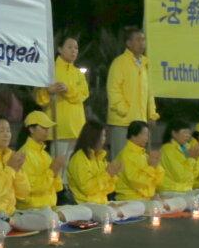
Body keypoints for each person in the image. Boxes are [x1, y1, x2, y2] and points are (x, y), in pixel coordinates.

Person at [0, 116, 58, 233]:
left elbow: (23, 193)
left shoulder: (11, 155)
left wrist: (17, 171)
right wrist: (10, 169)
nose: (6, 134)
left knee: (50, 218)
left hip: (9, 213)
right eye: (1, 131)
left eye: (8, 130)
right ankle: (12, 223)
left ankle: (12, 222)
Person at [67, 120, 149, 221]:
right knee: (107, 213)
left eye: (105, 136)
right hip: (86, 204)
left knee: (139, 206)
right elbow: (87, 189)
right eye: (101, 136)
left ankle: (117, 213)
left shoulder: (100, 157)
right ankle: (117, 213)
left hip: (103, 203)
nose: (103, 140)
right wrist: (108, 174)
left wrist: (112, 176)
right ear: (92, 137)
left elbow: (110, 189)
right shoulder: (79, 158)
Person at [16, 111, 92, 222]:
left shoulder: (45, 155)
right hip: (32, 208)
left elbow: (57, 188)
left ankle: (57, 219)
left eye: (48, 128)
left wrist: (56, 173)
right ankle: (54, 220)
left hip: (50, 207)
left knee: (86, 211)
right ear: (31, 129)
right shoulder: (24, 154)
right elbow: (30, 188)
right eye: (43, 128)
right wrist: (52, 171)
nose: (47, 131)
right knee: (49, 217)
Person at [33, 36, 89, 167]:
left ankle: (67, 186)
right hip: (59, 124)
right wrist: (48, 91)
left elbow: (84, 94)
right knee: (57, 162)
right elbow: (39, 98)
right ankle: (58, 187)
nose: (74, 51)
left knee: (72, 164)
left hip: (77, 124)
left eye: (76, 48)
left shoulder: (78, 73)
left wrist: (68, 90)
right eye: (69, 47)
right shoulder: (49, 70)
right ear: (59, 49)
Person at [106, 27, 159, 160]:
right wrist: (124, 110)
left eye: (143, 39)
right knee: (120, 161)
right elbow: (113, 90)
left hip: (141, 123)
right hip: (122, 123)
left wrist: (152, 115)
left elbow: (150, 92)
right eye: (138, 39)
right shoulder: (119, 63)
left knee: (140, 161)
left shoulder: (146, 64)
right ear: (128, 43)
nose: (142, 43)